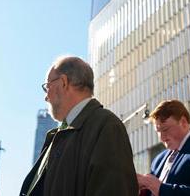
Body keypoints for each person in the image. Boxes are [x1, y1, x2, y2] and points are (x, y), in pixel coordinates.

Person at [19, 56, 138, 196]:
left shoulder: (107, 126)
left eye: (47, 87)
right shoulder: (60, 135)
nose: (46, 97)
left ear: (63, 82)